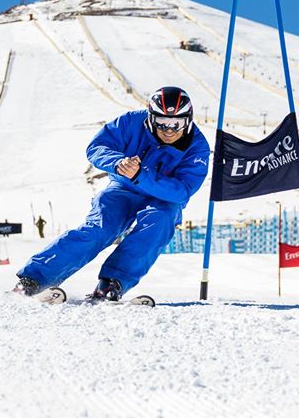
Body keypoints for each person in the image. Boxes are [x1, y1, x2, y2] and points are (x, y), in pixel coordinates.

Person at [14, 87, 210, 302]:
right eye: (162, 122)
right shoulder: (130, 123)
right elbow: (97, 147)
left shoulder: (197, 147)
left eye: (176, 123)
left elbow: (182, 191)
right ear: (150, 118)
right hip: (123, 189)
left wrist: (141, 175)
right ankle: (34, 279)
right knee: (100, 228)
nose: (169, 130)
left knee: (160, 222)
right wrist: (117, 162)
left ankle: (112, 284)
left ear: (188, 120)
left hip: (163, 199)